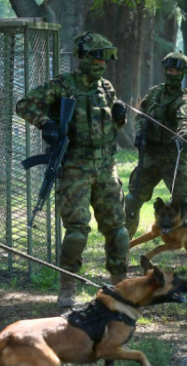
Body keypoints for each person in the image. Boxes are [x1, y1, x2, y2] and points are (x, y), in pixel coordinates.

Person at [15, 31, 129, 309]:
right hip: (76, 168)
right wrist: (46, 123)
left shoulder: (106, 88)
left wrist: (120, 117)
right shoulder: (63, 85)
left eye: (106, 58)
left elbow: (112, 128)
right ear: (83, 57)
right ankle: (67, 285)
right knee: (77, 232)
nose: (101, 63)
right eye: (97, 57)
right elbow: (24, 104)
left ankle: (122, 287)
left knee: (118, 231)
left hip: (106, 167)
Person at [124, 52, 187, 237]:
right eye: (170, 70)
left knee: (184, 203)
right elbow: (141, 115)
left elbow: (185, 120)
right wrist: (139, 133)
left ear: (183, 74)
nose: (173, 74)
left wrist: (181, 136)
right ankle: (123, 244)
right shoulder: (154, 93)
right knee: (132, 200)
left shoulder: (184, 99)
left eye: (177, 72)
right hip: (150, 156)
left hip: (172, 158)